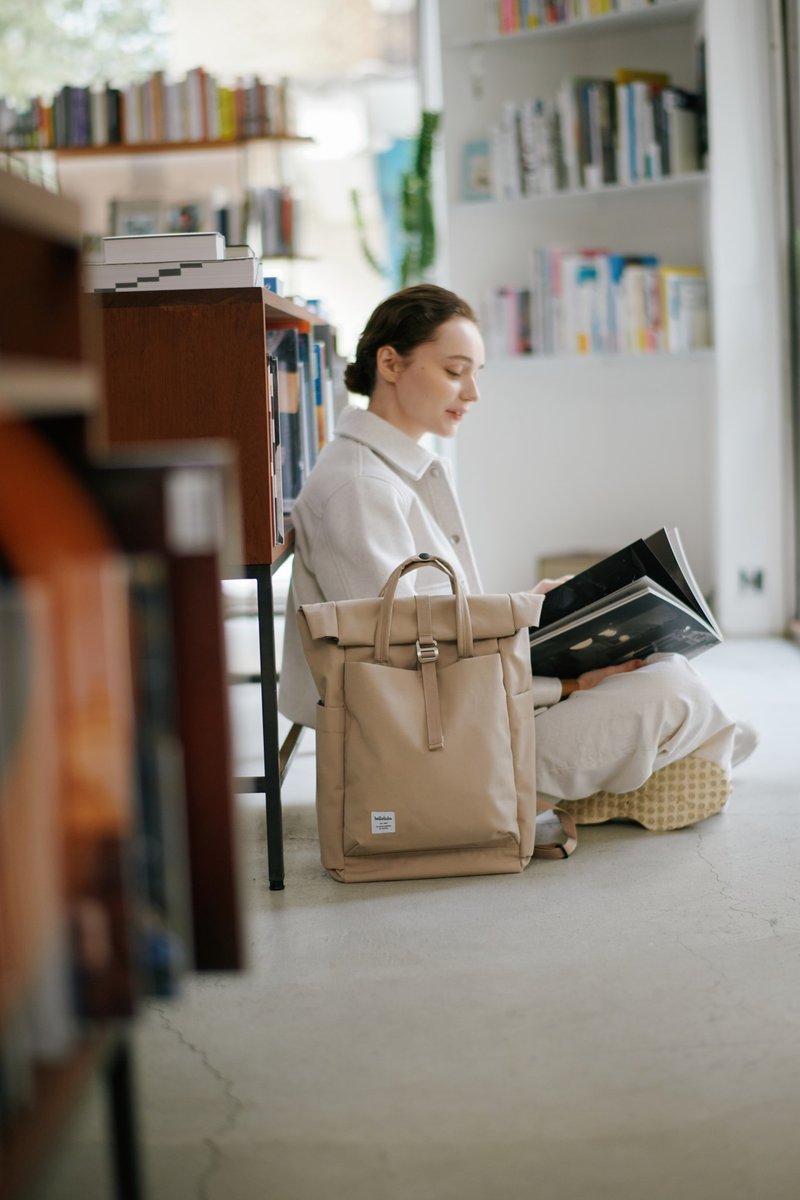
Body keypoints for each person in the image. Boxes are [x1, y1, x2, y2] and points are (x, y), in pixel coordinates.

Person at [279, 284, 756, 831]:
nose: (473, 392)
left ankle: (655, 763)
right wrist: (566, 686)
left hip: (459, 709)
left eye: (476, 372)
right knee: (673, 694)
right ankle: (643, 769)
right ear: (390, 363)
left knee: (666, 666)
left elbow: (429, 618)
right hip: (429, 752)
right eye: (456, 370)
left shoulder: (395, 471)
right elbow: (396, 668)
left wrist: (526, 610)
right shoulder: (360, 489)